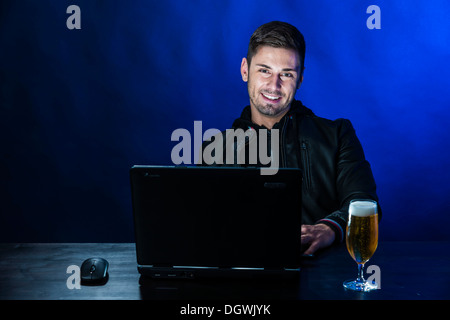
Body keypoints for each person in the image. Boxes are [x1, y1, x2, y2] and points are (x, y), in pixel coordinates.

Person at [200, 21, 381, 255]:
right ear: (245, 70)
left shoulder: (338, 135)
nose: (274, 86)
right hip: (243, 278)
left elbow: (365, 203)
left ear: (300, 79)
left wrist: (329, 228)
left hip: (322, 275)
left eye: (286, 74)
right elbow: (206, 224)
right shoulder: (215, 149)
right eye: (264, 70)